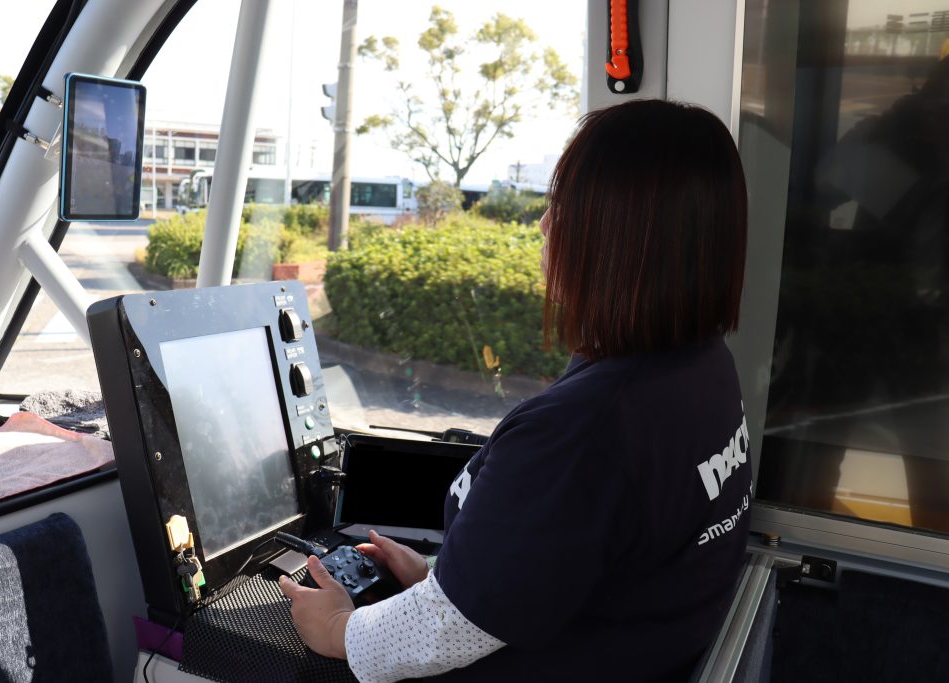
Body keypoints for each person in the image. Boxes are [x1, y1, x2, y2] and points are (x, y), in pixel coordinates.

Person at [280, 99, 751, 682]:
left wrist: (339, 631)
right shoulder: (700, 369)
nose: (547, 226)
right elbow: (584, 558)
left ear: (620, 237)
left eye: (563, 207)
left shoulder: (585, 429)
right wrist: (442, 576)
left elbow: (450, 627)